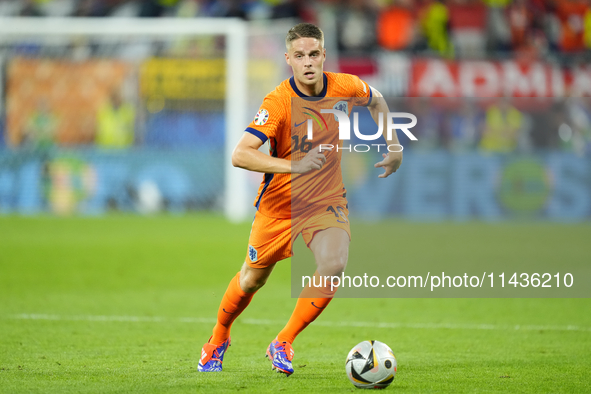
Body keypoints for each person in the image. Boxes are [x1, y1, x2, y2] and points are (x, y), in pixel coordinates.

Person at [198, 23, 403, 376]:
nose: (308, 62)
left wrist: (394, 143)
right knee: (251, 280)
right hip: (279, 207)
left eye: (313, 54)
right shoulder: (277, 104)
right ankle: (218, 338)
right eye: (299, 56)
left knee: (334, 264)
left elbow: (377, 100)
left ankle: (284, 340)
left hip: (326, 200)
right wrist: (294, 165)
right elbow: (241, 154)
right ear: (288, 60)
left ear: (323, 55)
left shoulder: (346, 86)